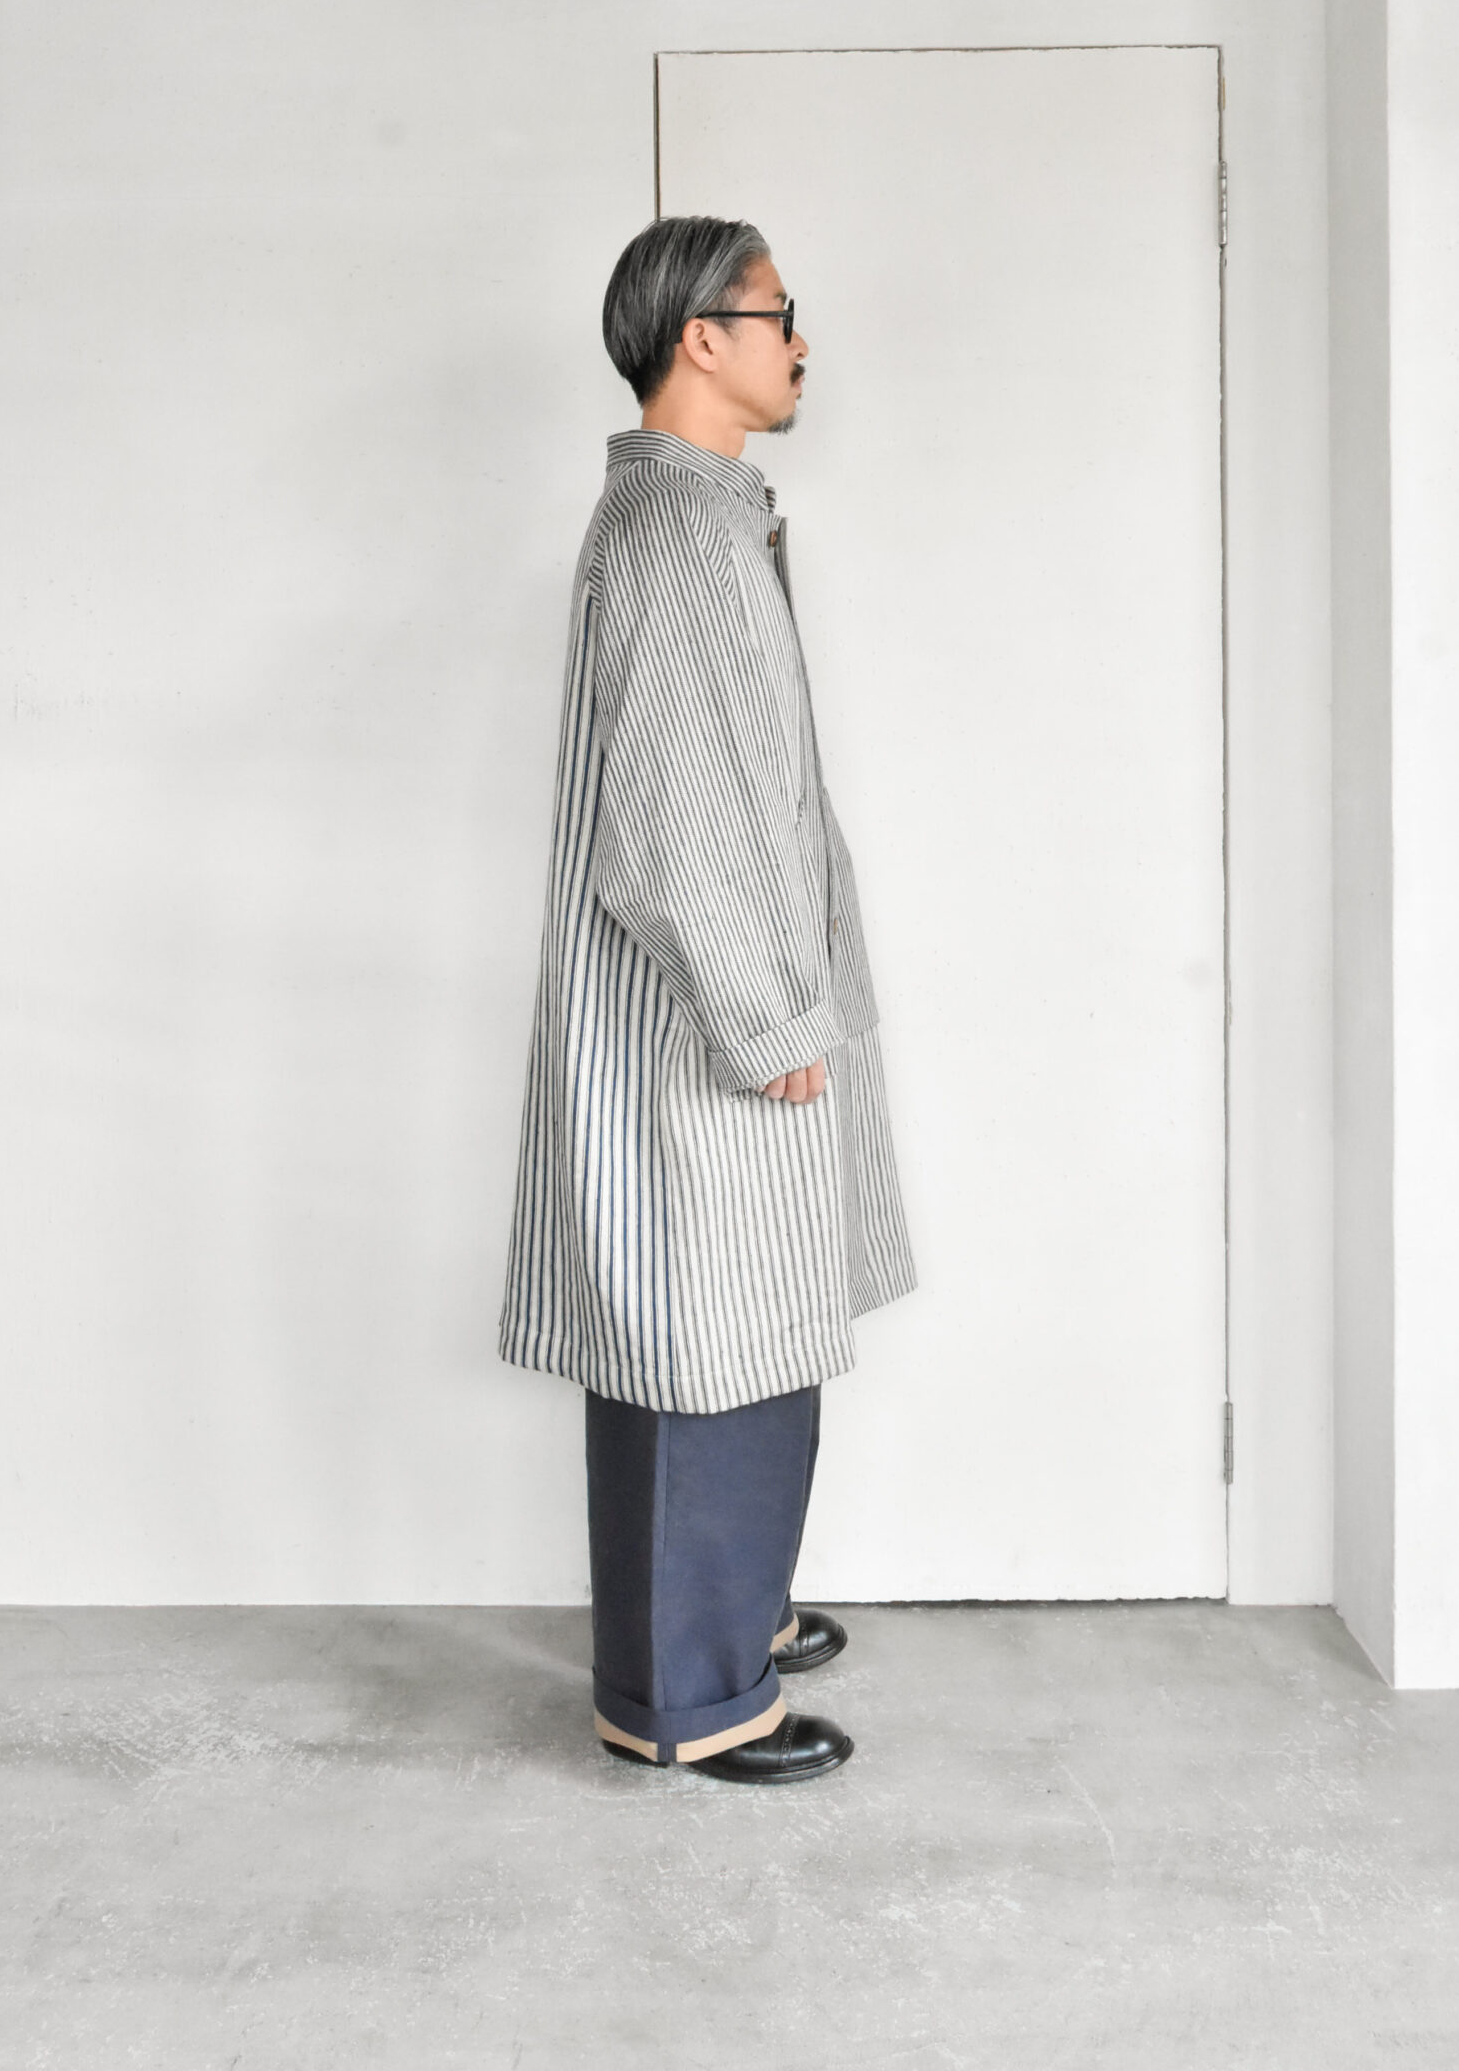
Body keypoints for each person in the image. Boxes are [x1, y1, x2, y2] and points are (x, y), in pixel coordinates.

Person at [500, 215, 916, 1783]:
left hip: (726, 1010)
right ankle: (683, 1695)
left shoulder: (696, 514)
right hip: (706, 1027)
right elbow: (672, 829)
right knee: (699, 1333)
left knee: (727, 1324)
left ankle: (723, 1613)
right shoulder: (678, 533)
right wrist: (768, 1015)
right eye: (778, 312)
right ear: (701, 337)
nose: (800, 342)